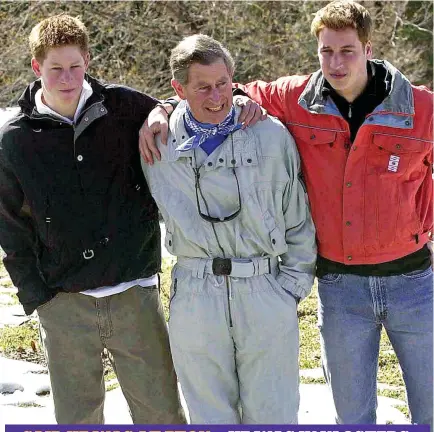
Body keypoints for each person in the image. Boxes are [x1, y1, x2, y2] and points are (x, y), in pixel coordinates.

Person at [139, 1, 433, 426]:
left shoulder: (420, 108)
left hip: (414, 283)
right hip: (341, 286)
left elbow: (214, 87)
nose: (335, 62)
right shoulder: (294, 98)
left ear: (368, 49)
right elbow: (216, 88)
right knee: (353, 417)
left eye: (347, 50)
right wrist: (162, 107)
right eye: (326, 51)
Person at [0, 15, 186, 424]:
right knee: (77, 420)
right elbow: (11, 228)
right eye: (55, 69)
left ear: (87, 60)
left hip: (134, 294)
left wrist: (164, 109)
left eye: (75, 66)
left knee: (163, 416)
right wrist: (39, 298)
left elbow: (180, 105)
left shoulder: (123, 107)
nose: (66, 78)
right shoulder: (15, 139)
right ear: (36, 67)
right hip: (64, 303)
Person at [141, 34, 316, 424]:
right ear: (178, 88)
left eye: (223, 83)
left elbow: (298, 222)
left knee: (273, 414)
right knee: (209, 414)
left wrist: (288, 291)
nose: (217, 96)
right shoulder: (158, 143)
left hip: (265, 291)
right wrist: (157, 113)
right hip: (196, 294)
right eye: (202, 87)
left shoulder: (270, 136)